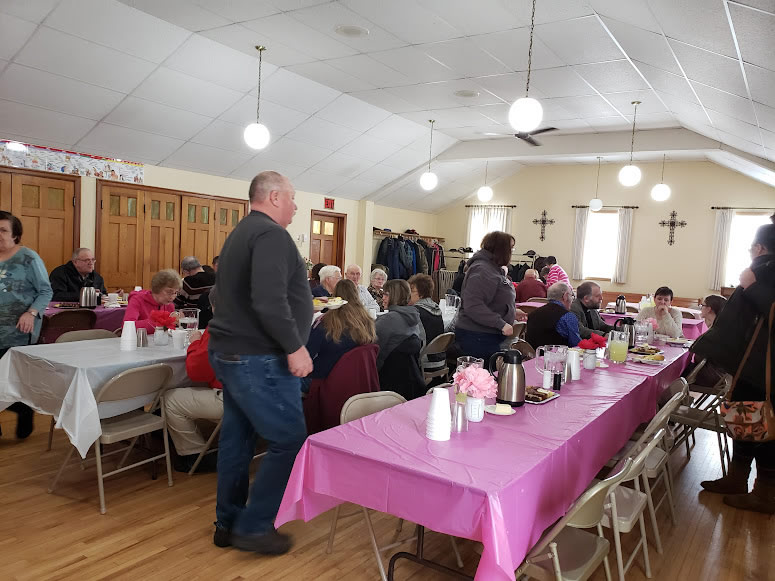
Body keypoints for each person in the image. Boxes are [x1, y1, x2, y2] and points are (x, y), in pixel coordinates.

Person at [207, 171, 312, 554]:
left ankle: (228, 522)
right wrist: (294, 346)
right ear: (273, 197)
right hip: (257, 357)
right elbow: (269, 300)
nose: (296, 206)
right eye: (293, 197)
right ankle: (253, 526)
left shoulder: (241, 233)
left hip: (233, 352)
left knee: (237, 439)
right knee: (288, 438)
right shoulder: (270, 235)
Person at [699, 224, 774, 514]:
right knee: (746, 423)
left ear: (758, 248)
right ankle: (736, 479)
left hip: (766, 369)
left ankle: (765, 494)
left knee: (766, 429)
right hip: (753, 364)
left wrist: (752, 286)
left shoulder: (763, 274)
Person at [0, 211, 53, 439]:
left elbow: (45, 290)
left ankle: (23, 408)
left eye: (3, 230)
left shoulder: (28, 258)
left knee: (8, 380)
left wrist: (31, 313)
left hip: (18, 331)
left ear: (15, 235)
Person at [164, 288, 221, 473]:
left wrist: (197, 342)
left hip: (237, 401)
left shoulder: (221, 328)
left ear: (213, 307)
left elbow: (197, 372)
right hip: (270, 397)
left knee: (170, 398)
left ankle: (194, 454)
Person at [455, 231, 521, 361]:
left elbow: (493, 298)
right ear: (501, 249)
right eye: (510, 248)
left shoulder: (492, 268)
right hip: (477, 336)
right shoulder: (483, 269)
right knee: (482, 378)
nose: (512, 252)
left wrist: (510, 310)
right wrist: (500, 323)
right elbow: (473, 305)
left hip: (485, 335)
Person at [305, 279, 376, 387]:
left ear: (334, 295)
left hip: (323, 379)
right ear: (356, 294)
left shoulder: (326, 323)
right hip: (354, 380)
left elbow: (307, 354)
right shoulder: (367, 321)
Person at [375, 279, 425, 370]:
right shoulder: (414, 316)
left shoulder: (388, 320)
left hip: (386, 374)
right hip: (408, 374)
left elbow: (373, 349)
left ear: (395, 296)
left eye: (386, 294)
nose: (383, 298)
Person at [408, 273, 445, 376]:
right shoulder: (437, 309)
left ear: (421, 294)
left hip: (425, 364)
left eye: (412, 291)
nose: (409, 294)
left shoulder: (416, 312)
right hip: (441, 360)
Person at [525, 282, 581, 349]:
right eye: (572, 296)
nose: (572, 300)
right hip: (558, 357)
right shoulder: (567, 316)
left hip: (534, 356)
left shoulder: (533, 314)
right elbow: (576, 344)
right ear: (565, 296)